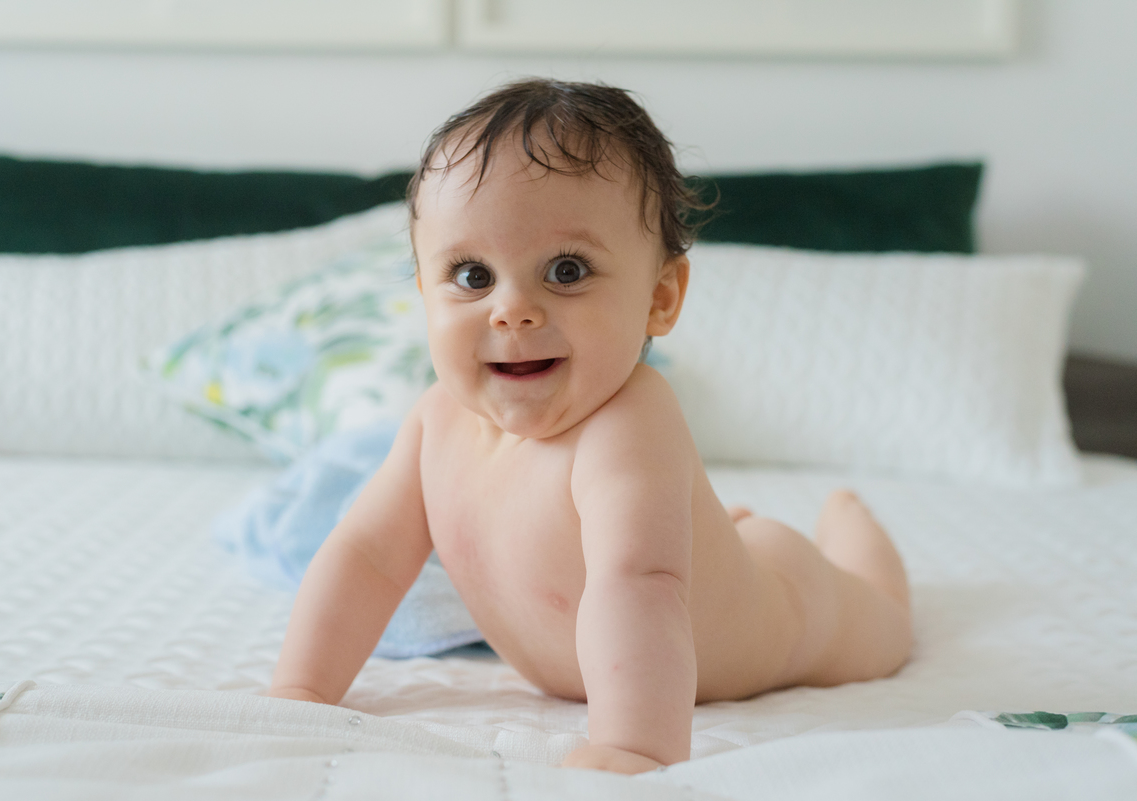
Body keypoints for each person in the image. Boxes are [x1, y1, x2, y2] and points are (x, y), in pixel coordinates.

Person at [268, 78, 912, 775]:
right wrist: (301, 690)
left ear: (660, 298)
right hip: (694, 558)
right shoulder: (434, 424)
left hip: (784, 611)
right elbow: (366, 558)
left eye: (566, 270)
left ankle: (851, 521)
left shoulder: (628, 419)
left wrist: (633, 742)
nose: (511, 309)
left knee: (878, 620)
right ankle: (729, 530)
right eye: (472, 274)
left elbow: (641, 582)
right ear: (424, 291)